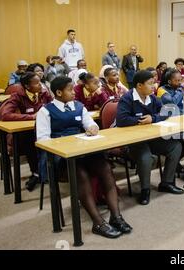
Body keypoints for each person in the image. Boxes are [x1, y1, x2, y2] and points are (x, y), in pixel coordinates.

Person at [36, 76, 132, 238]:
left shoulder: (79, 106)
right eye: (69, 90)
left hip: (83, 151)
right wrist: (66, 143)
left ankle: (116, 217)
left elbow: (90, 124)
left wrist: (93, 128)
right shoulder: (45, 111)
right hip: (60, 158)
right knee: (80, 174)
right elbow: (43, 140)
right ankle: (98, 222)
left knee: (106, 168)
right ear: (58, 92)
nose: (74, 92)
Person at [116, 70, 184, 205]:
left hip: (151, 137)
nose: (154, 86)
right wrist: (141, 120)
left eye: (154, 83)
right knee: (146, 157)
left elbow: (166, 112)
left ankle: (166, 182)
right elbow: (122, 120)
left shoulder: (152, 98)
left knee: (175, 146)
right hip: (134, 141)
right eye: (150, 83)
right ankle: (145, 190)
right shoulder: (127, 99)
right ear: (139, 85)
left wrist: (153, 118)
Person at [2, 72, 53, 191]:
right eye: (36, 83)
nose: (40, 85)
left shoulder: (44, 93)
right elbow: (5, 115)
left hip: (43, 128)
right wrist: (31, 117)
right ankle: (36, 172)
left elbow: (53, 106)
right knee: (29, 138)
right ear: (27, 86)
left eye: (40, 81)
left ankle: (44, 171)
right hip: (26, 132)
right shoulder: (17, 96)